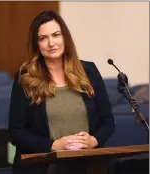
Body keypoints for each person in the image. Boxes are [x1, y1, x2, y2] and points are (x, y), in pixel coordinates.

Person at [8, 10, 115, 174]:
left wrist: (94, 140)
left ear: (65, 37)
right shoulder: (25, 78)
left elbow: (108, 121)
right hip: (43, 168)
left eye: (56, 35)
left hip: (88, 165)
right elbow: (16, 133)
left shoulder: (89, 71)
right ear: (36, 44)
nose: (51, 43)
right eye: (43, 38)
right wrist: (54, 146)